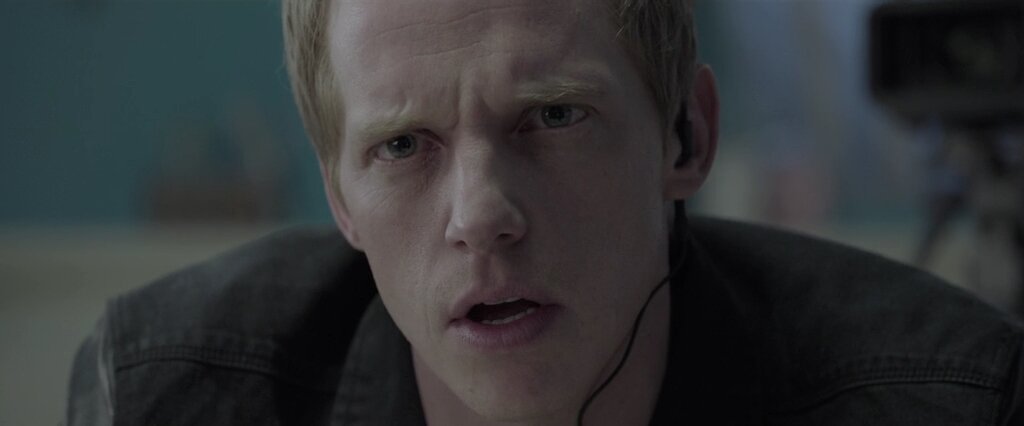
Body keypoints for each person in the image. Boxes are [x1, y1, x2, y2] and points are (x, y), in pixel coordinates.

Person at [67, 0, 1024, 424]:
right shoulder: (162, 397)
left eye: (555, 117)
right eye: (401, 146)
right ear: (339, 197)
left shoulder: (950, 404)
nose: (481, 215)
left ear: (686, 137)